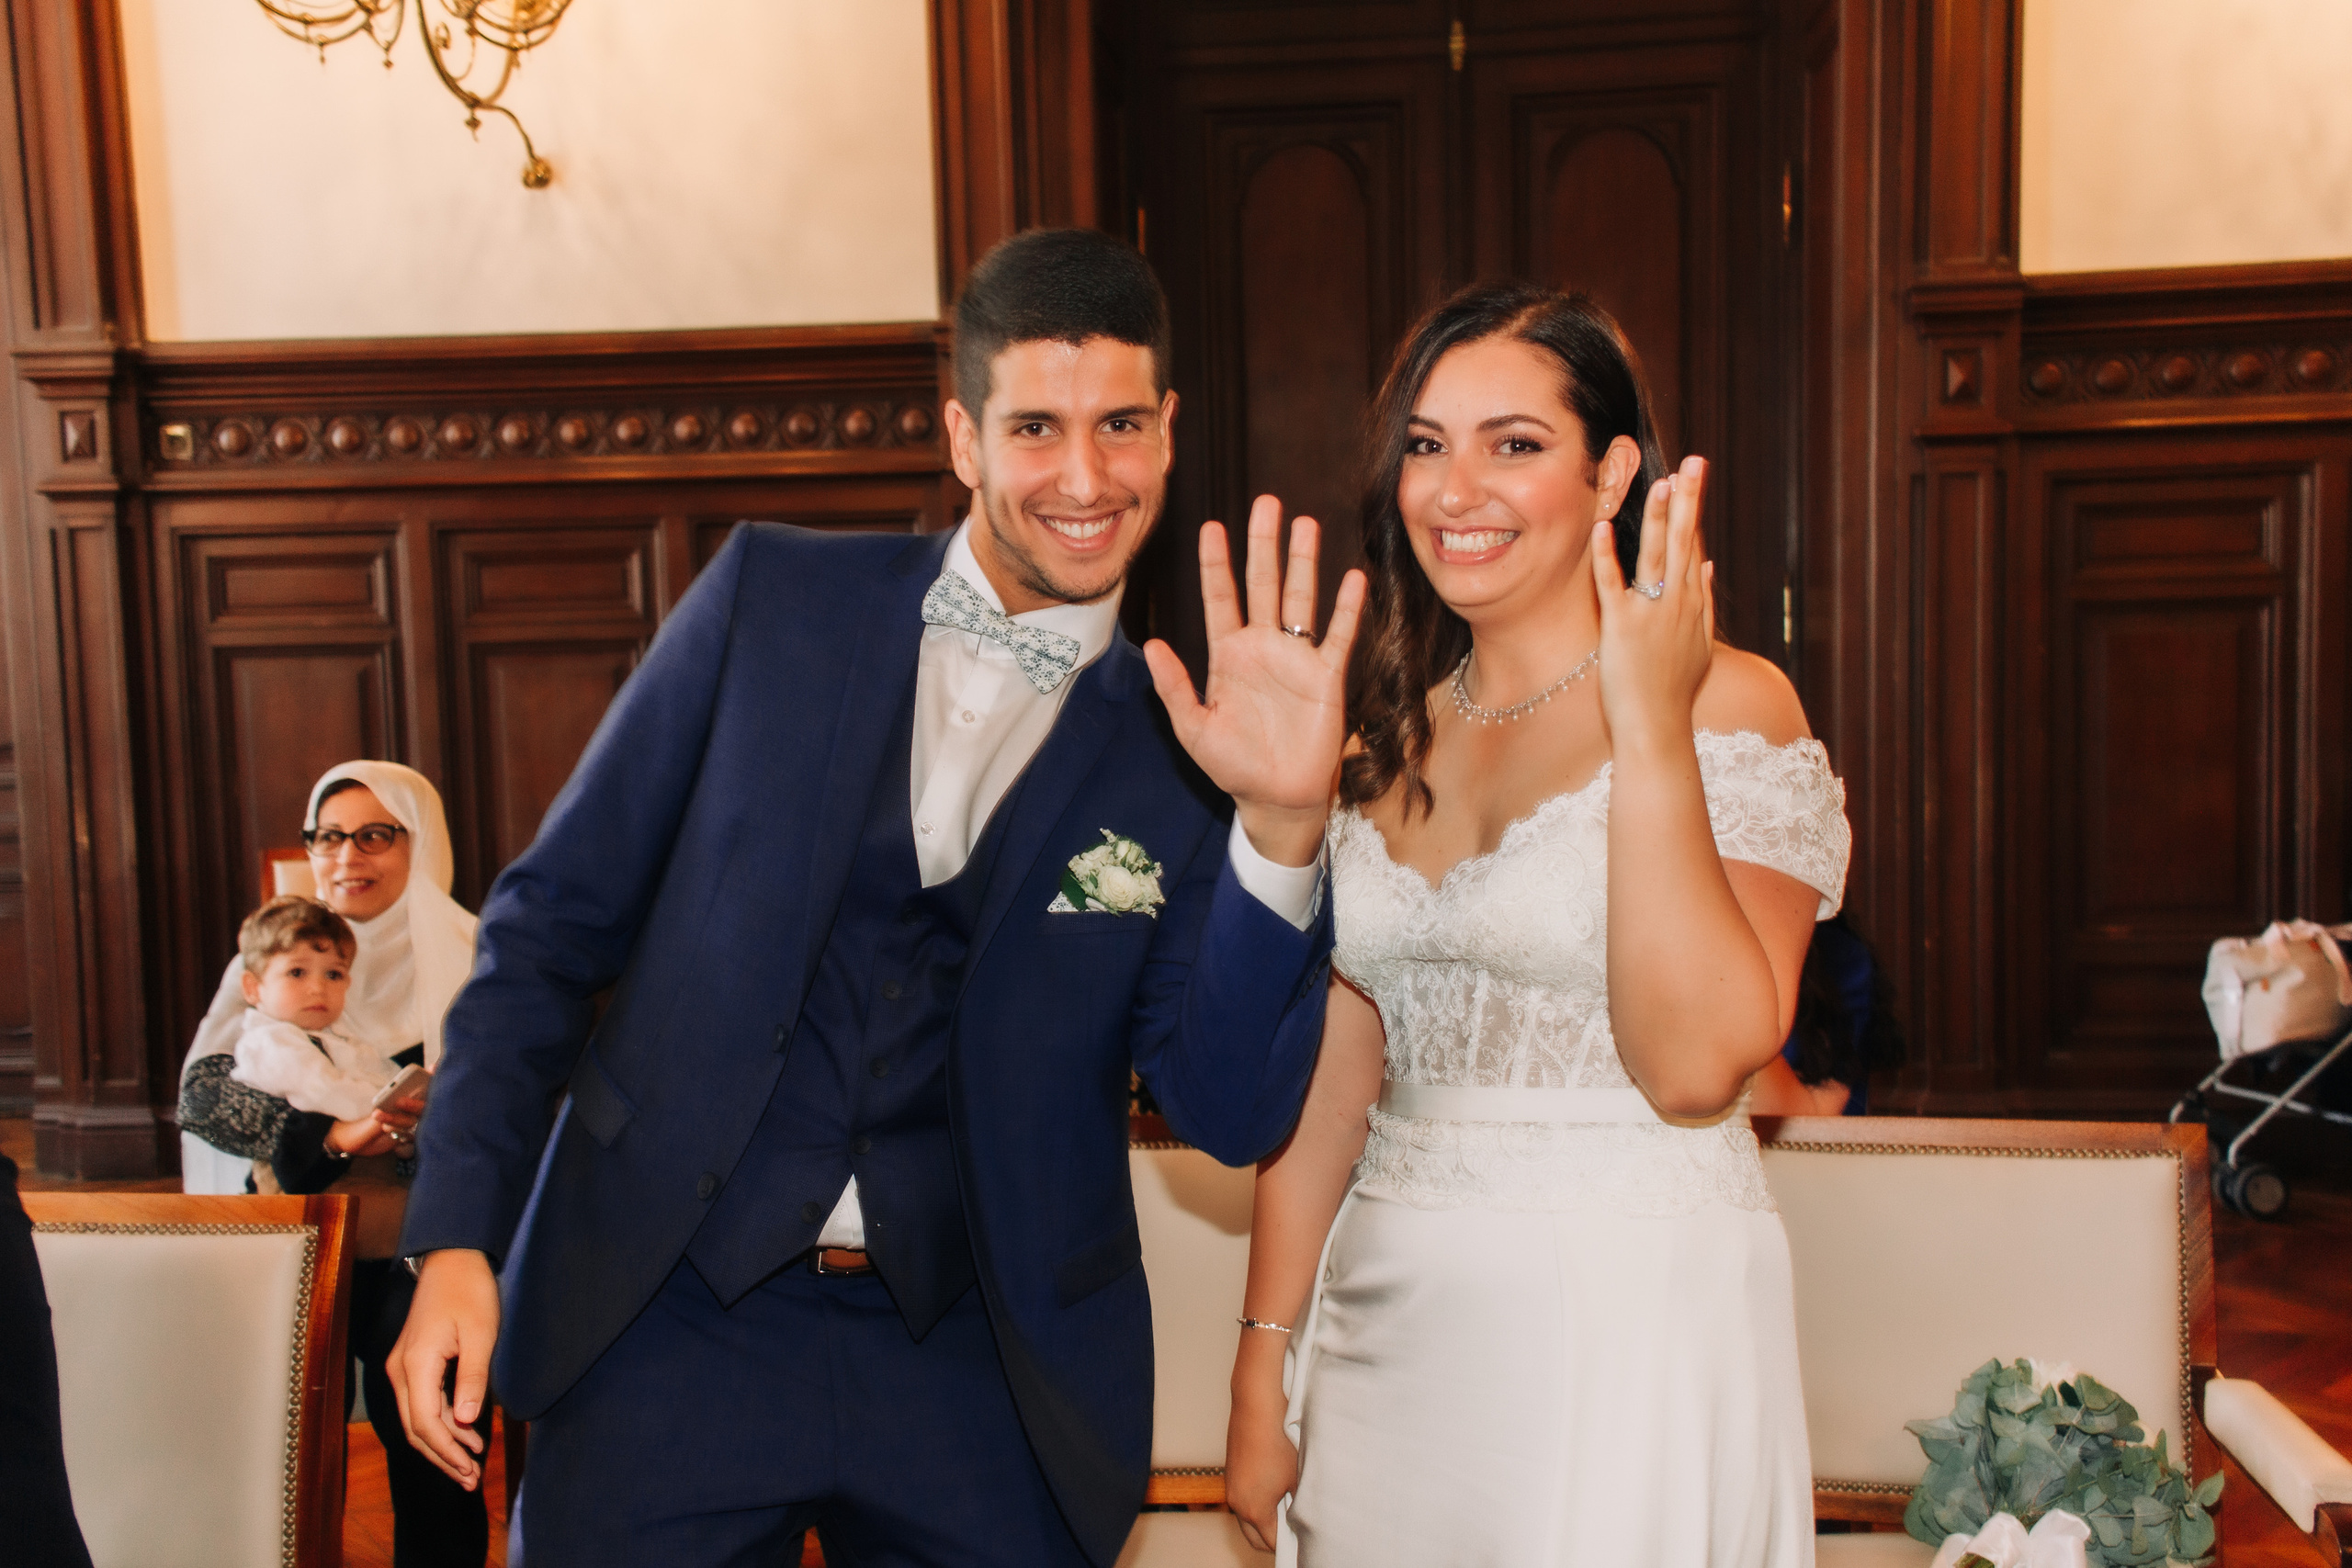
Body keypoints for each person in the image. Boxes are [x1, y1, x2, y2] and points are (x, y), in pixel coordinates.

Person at [388, 228, 1361, 1568]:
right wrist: (454, 1237)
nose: (1085, 477)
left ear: (1169, 428)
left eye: (1121, 424)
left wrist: (1283, 823)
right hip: (668, 1320)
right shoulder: (769, 600)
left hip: (981, 1365)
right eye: (1035, 426)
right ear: (962, 435)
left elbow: (1230, 1106)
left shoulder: (1189, 744)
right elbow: (546, 933)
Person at [1224, 282, 1850, 1566]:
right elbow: (1336, 1084)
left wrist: (1651, 727)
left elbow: (1694, 1066)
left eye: (1515, 443)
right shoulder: (1378, 732)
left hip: (1627, 1317)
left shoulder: (1735, 703)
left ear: (1614, 470)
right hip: (1389, 1321)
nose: (1458, 489)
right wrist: (1263, 1357)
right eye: (1426, 443)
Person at [177, 760, 487, 1568]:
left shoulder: (475, 956)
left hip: (424, 1237)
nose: (346, 855)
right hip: (295, 1231)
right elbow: (206, 1098)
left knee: (424, 1384)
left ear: (420, 843)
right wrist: (336, 1132)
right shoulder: (285, 948)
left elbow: (521, 1104)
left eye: (375, 835)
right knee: (263, 1417)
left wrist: (422, 1133)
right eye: (328, 835)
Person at [229, 896, 401, 1122]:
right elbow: (327, 1094)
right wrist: (395, 1105)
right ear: (253, 988)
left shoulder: (339, 1033)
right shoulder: (269, 1042)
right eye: (297, 972)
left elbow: (384, 1074)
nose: (318, 988)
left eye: (333, 974)